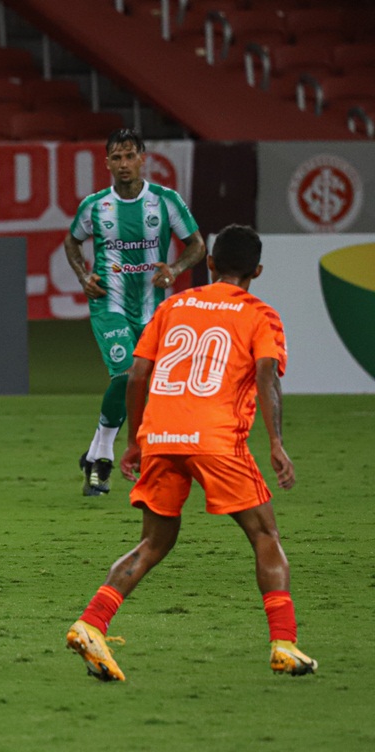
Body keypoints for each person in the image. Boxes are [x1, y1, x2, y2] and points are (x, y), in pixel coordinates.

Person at [66, 224, 317, 681]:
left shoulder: (173, 306)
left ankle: (91, 623)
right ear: (257, 271)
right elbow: (267, 379)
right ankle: (284, 644)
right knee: (265, 536)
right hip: (217, 437)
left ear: (211, 264)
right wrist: (277, 443)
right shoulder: (260, 314)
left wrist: (137, 440)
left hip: (161, 435)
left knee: (154, 541)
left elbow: (137, 375)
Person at [64, 128, 206, 497]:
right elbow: (72, 241)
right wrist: (83, 277)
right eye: (117, 157)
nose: (124, 164)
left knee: (142, 385)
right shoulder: (95, 205)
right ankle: (105, 460)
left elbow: (197, 246)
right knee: (128, 375)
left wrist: (173, 270)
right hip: (108, 304)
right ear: (107, 162)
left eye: (130, 156)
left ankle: (93, 455)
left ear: (143, 159)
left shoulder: (165, 201)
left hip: (152, 309)